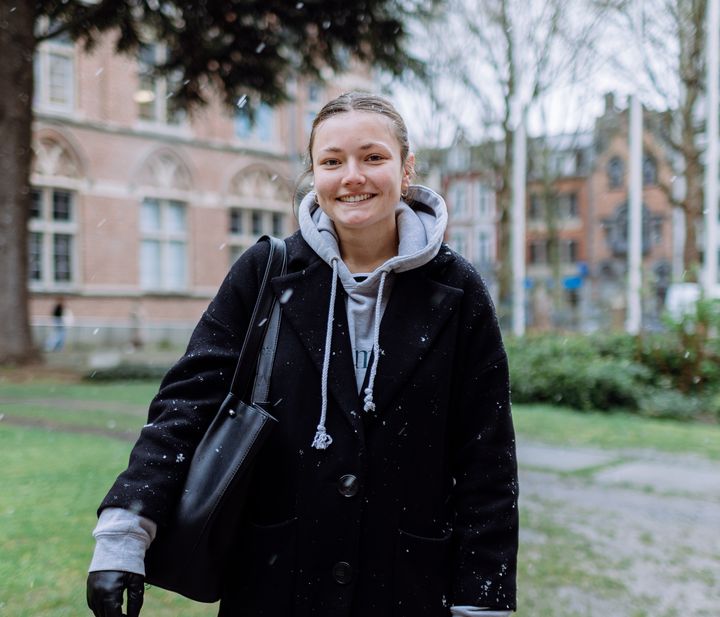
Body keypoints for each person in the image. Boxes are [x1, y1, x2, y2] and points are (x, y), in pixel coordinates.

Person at [86, 91, 518, 617]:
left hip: (406, 585)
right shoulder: (265, 273)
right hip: (274, 582)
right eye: (331, 162)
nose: (351, 175)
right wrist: (123, 534)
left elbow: (487, 459)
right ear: (314, 175)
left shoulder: (458, 291)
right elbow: (186, 407)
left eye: (372, 157)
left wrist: (483, 599)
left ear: (407, 171)